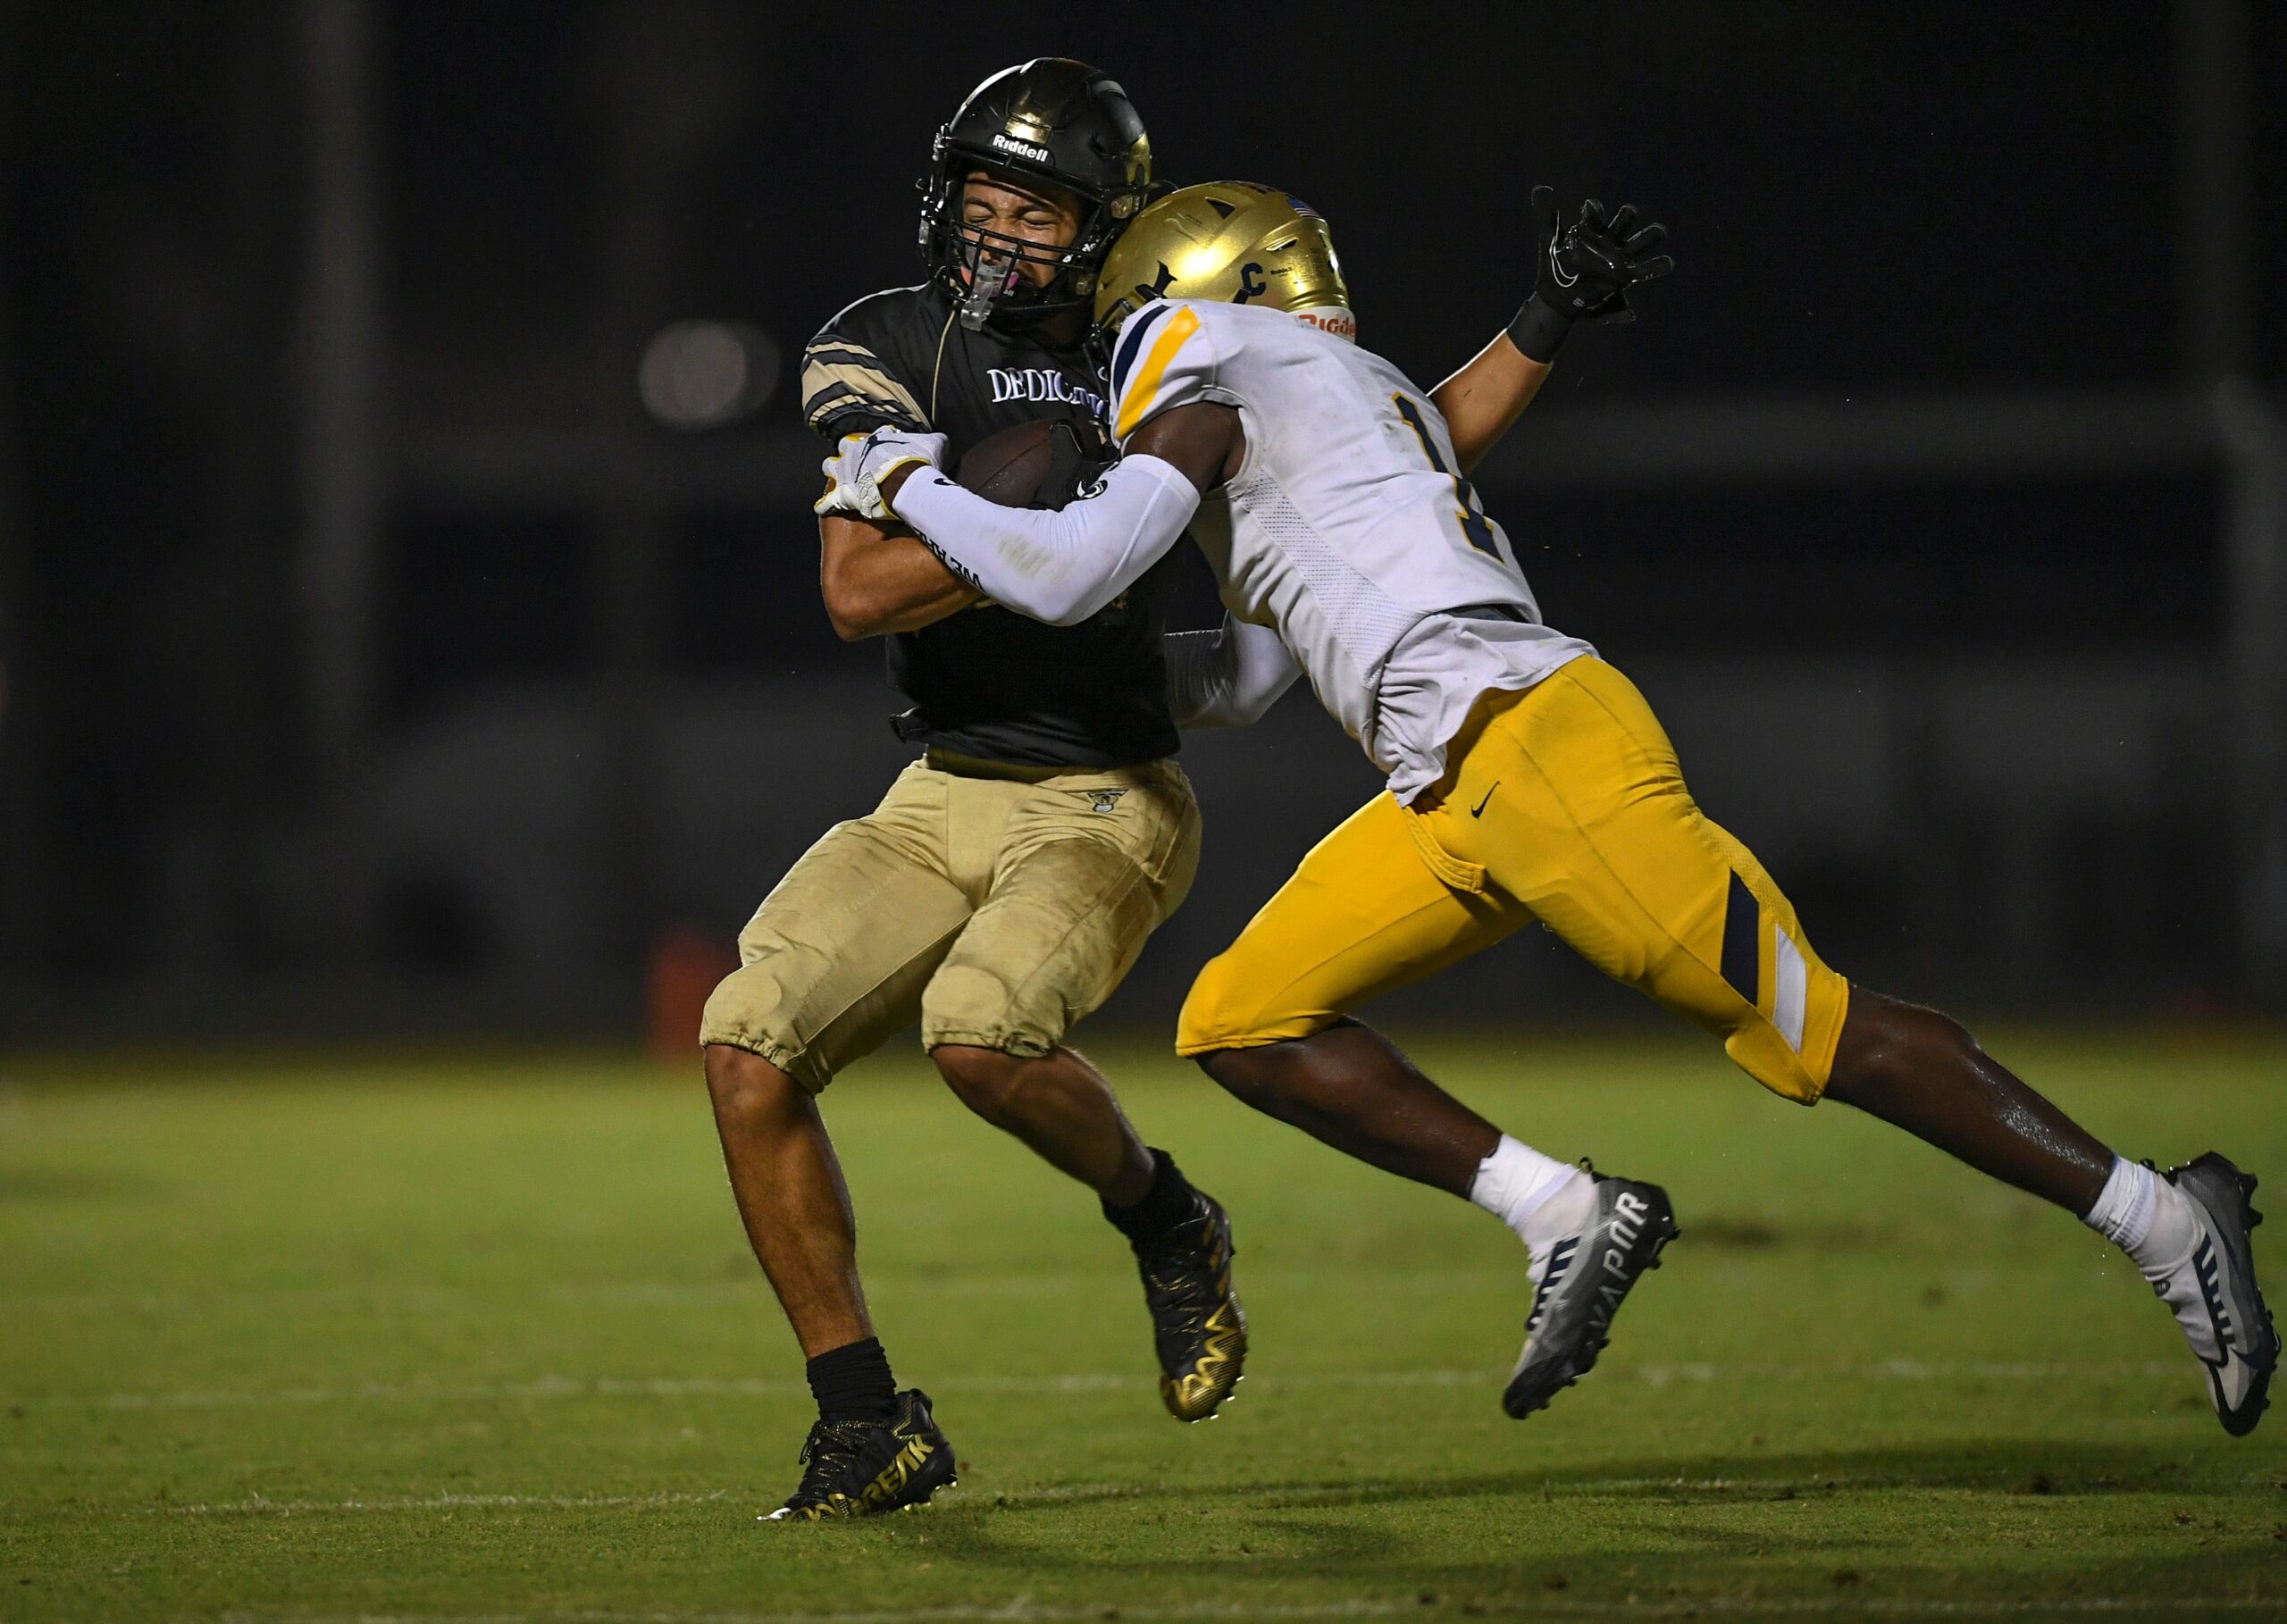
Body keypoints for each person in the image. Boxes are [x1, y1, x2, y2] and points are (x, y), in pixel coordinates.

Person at [822, 181, 2278, 1442]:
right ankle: (1561, 1209)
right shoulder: (1333, 389)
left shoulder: (1193, 350)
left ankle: (2162, 1214)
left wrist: (908, 483)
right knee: (1245, 1020)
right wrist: (1044, 666)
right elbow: (1249, 674)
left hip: (1532, 748)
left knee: (1810, 1025)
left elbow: (1076, 569)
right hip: (1451, 779)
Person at [707, 64, 1603, 1520]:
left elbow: (1391, 444)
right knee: (744, 1046)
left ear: (1102, 229)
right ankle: (865, 1422)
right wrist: (1047, 535)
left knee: (982, 1037)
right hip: (941, 783)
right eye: (982, 201)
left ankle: (1168, 1219)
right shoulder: (879, 343)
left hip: (1107, 793)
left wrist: (1542, 328)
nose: (999, 235)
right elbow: (858, 592)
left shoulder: (1152, 341)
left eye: (1038, 210)